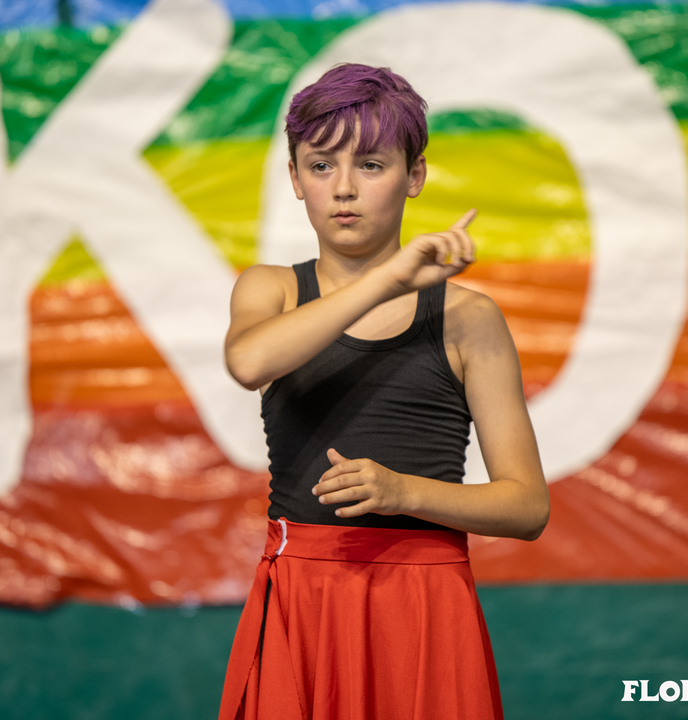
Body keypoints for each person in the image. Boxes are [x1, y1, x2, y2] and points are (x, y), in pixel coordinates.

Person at [218, 63, 549, 720]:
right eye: (320, 166)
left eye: (370, 165)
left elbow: (527, 506)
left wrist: (404, 493)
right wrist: (390, 278)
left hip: (425, 603)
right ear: (295, 179)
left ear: (414, 175)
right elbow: (249, 361)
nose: (343, 188)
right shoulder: (271, 288)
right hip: (304, 597)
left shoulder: (468, 318)